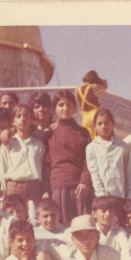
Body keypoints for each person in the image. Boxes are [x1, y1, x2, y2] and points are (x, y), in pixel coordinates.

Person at [46, 89, 93, 225]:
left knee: (82, 226)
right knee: (60, 227)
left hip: (79, 187)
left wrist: (84, 181)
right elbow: (46, 163)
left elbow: (88, 160)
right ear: (55, 108)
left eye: (69, 104)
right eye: (61, 105)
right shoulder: (49, 134)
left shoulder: (83, 132)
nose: (65, 108)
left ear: (74, 107)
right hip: (58, 187)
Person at [85, 109, 131, 210]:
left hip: (120, 198)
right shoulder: (91, 148)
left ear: (113, 124)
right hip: (100, 199)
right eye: (100, 123)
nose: (103, 126)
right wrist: (103, 197)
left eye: (107, 123)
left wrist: (129, 198)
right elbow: (94, 174)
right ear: (94, 126)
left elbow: (129, 174)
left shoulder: (123, 147)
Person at [0, 104, 46, 206]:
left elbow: (43, 171)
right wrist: (2, 198)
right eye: (18, 116)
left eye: (26, 116)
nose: (22, 119)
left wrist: (44, 192)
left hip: (34, 188)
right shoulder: (7, 144)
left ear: (31, 120)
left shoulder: (39, 145)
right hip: (14, 188)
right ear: (13, 121)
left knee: (33, 219)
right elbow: (2, 171)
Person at [76, 70, 108, 140]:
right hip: (95, 113)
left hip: (85, 116)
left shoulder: (77, 89)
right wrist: (100, 81)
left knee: (87, 137)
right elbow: (104, 87)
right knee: (98, 137)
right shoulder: (93, 87)